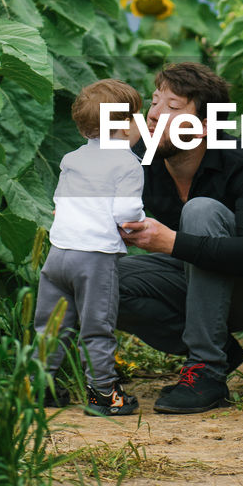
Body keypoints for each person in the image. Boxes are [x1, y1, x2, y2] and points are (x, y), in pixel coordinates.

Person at [118, 63, 243, 414]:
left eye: (172, 107)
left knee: (202, 211)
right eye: (154, 101)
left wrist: (172, 243)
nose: (153, 114)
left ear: (202, 127)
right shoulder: (141, 157)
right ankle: (221, 350)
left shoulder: (241, 160)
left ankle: (206, 370)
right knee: (101, 282)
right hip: (196, 278)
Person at [33, 78, 145, 417]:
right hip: (93, 259)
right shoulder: (127, 164)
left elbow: (59, 201)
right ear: (124, 128)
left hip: (57, 254)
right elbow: (126, 214)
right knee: (96, 327)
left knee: (49, 326)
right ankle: (102, 394)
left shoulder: (72, 159)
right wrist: (136, 225)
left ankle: (38, 387)